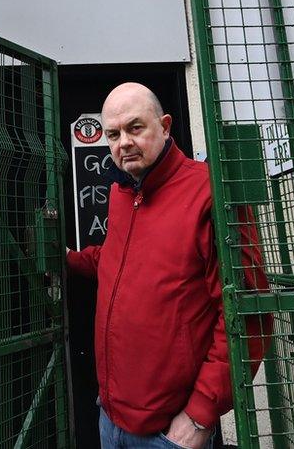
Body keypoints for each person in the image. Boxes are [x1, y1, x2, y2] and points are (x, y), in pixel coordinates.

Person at [66, 83, 271, 449]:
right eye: (113, 134)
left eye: (135, 128)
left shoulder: (210, 193)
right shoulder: (122, 193)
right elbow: (115, 260)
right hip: (109, 416)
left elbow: (248, 313)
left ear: (165, 126)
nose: (123, 142)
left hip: (168, 433)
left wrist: (199, 417)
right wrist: (67, 259)